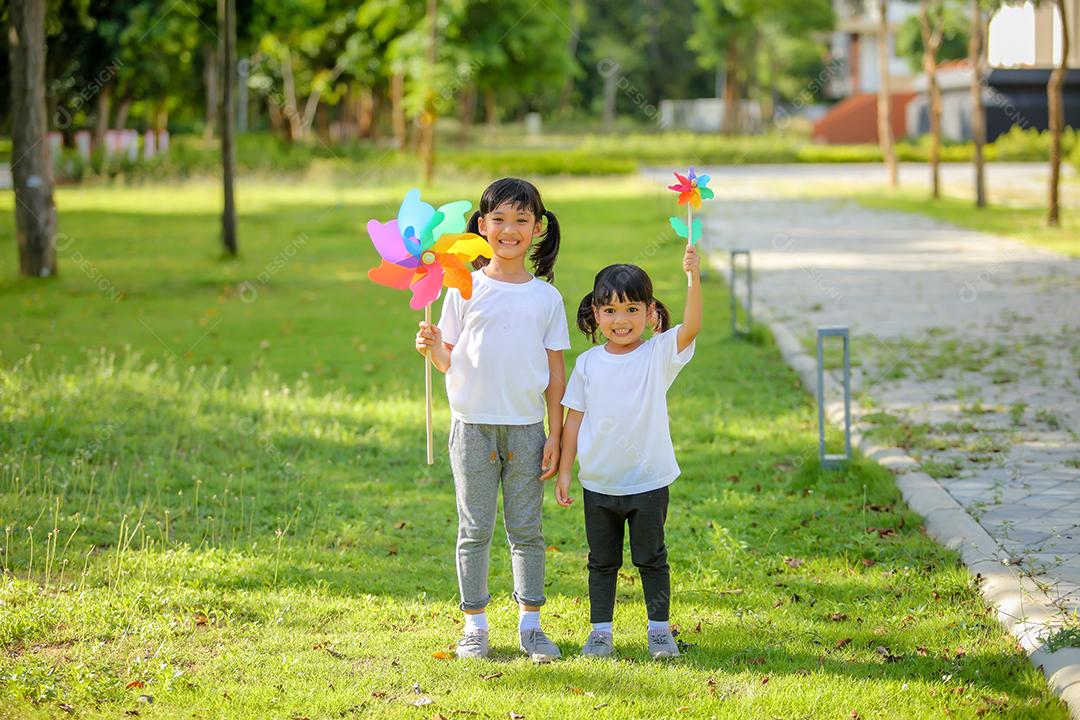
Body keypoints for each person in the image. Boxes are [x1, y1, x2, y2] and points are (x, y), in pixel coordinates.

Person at [415, 178, 569, 662]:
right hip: (473, 425)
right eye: (499, 219)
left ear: (537, 228)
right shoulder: (464, 286)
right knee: (475, 528)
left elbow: (555, 373)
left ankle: (531, 625)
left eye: (521, 220)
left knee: (526, 530)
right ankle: (474, 627)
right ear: (481, 226)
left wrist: (556, 434)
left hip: (526, 429)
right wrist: (434, 347)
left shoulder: (547, 298)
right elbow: (449, 358)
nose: (509, 229)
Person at [555, 245, 702, 659]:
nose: (621, 320)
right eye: (611, 311)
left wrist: (693, 277)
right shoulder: (587, 363)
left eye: (632, 310)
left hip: (649, 481)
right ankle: (600, 633)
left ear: (651, 312)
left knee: (651, 558)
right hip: (599, 484)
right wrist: (566, 472)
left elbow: (691, 327)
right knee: (601, 562)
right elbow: (573, 421)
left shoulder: (658, 355)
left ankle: (659, 631)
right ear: (597, 315)